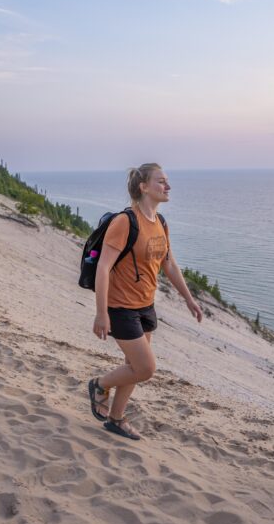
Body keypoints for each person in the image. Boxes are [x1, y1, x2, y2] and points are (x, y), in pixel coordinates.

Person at [87, 163, 203, 440]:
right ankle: (99, 385)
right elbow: (103, 268)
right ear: (144, 187)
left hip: (145, 306)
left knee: (134, 368)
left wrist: (189, 299)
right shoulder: (125, 222)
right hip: (120, 308)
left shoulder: (161, 223)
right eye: (162, 181)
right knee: (145, 368)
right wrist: (101, 314)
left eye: (167, 182)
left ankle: (116, 419)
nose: (168, 186)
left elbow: (170, 264)